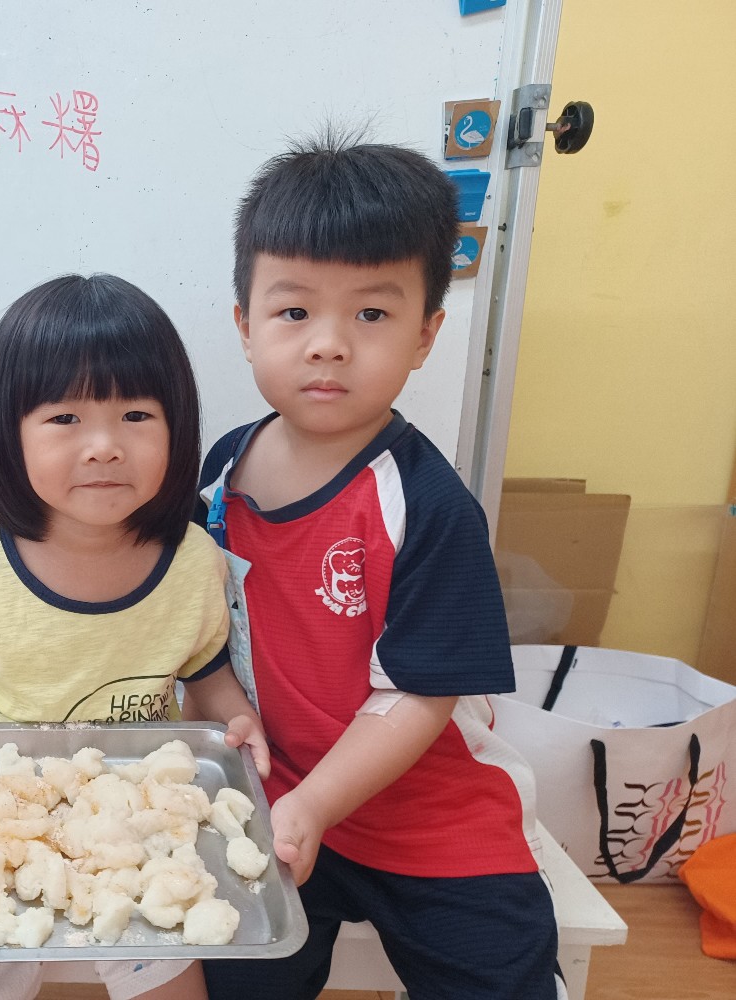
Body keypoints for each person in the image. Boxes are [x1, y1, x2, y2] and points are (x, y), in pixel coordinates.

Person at [195, 137, 563, 1000]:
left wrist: (321, 802)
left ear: (425, 334)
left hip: (428, 817)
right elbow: (196, 626)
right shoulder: (219, 474)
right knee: (236, 976)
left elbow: (420, 697)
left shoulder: (427, 505)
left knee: (502, 980)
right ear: (244, 324)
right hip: (276, 792)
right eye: (293, 312)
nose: (327, 345)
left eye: (370, 314)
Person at [0, 273, 270, 1000]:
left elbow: (205, 672)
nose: (104, 446)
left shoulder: (192, 564)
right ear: (7, 434)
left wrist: (238, 721)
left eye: (136, 415)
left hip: (130, 829)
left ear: (178, 428)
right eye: (65, 418)